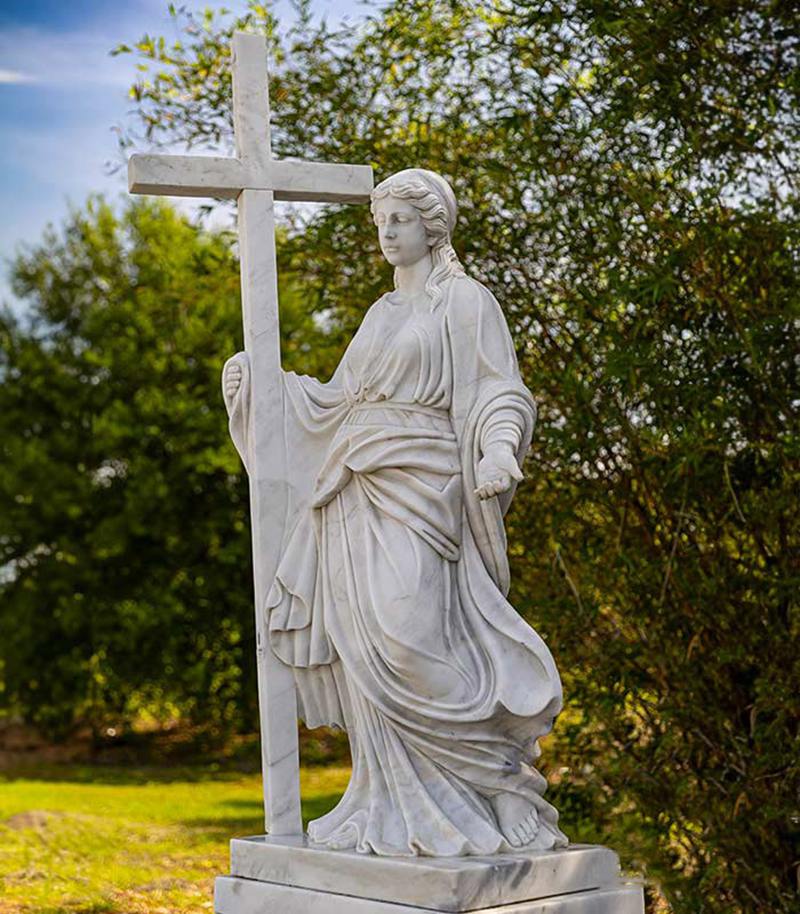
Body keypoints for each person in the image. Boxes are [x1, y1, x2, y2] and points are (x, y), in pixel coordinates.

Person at [222, 168, 567, 856]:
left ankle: (501, 785)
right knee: (364, 652)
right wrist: (263, 392)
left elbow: (503, 392)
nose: (386, 232)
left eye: (399, 220)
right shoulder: (381, 314)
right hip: (351, 487)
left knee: (412, 640)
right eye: (380, 221)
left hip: (425, 486)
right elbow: (338, 401)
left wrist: (499, 451)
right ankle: (390, 804)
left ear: (432, 226)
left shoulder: (466, 303)